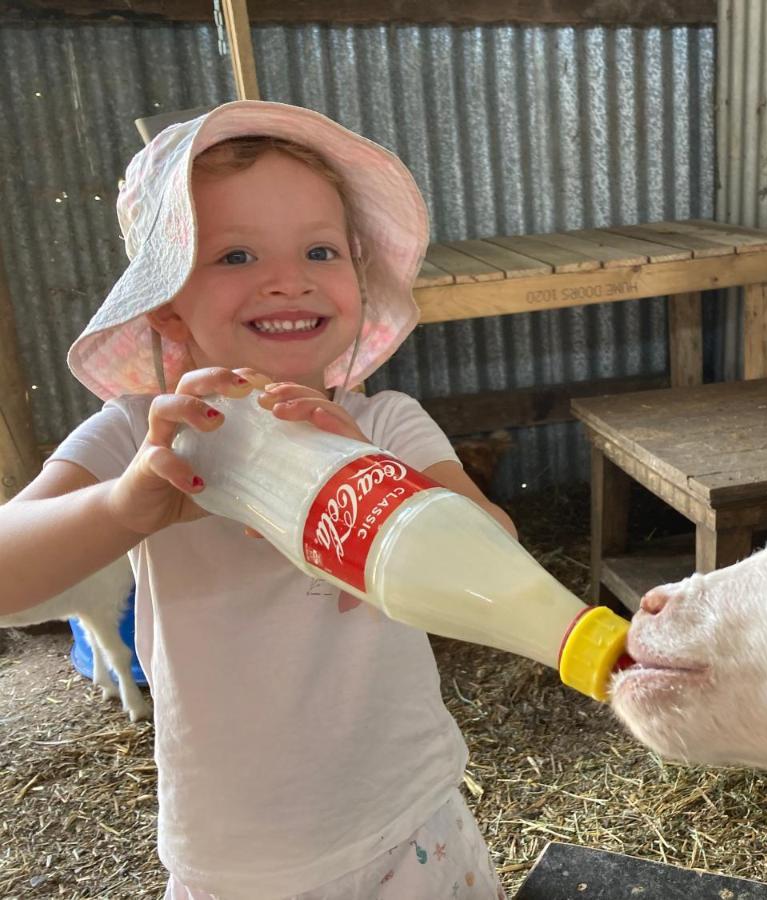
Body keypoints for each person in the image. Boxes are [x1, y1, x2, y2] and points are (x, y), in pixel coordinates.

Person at [0, 100, 510, 899]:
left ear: (357, 279)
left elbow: (498, 556)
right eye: (235, 254)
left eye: (319, 249)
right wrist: (124, 509)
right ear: (168, 301)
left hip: (411, 826)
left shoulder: (386, 424)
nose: (287, 278)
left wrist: (377, 483)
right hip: (239, 862)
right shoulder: (144, 436)